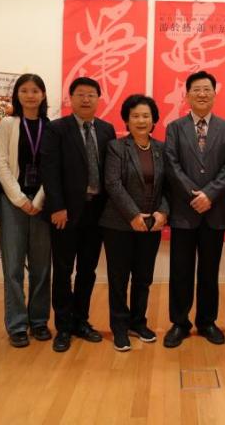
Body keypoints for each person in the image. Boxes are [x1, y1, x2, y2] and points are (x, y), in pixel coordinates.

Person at [163, 70, 225, 348]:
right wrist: (194, 194)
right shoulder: (174, 128)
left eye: (207, 89)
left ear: (215, 94)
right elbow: (171, 164)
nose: (202, 94)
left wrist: (210, 194)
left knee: (209, 271)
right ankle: (179, 323)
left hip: (214, 212)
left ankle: (207, 322)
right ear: (187, 95)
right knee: (180, 271)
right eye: (196, 89)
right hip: (184, 212)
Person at [41, 76, 116, 353]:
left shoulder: (106, 129)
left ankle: (81, 321)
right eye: (80, 95)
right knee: (63, 270)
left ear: (98, 99)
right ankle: (63, 326)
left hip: (97, 212)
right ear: (70, 99)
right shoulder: (57, 129)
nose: (86, 99)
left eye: (91, 95)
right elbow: (49, 170)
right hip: (66, 212)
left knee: (88, 270)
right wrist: (57, 207)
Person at [99, 95, 169, 352]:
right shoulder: (117, 147)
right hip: (119, 224)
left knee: (144, 277)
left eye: (146, 116)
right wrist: (133, 215)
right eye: (136, 116)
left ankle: (138, 322)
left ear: (154, 120)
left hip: (151, 224)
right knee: (119, 278)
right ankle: (119, 326)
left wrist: (163, 212)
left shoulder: (162, 149)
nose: (141, 120)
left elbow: (169, 186)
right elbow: (113, 184)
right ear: (127, 120)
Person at [0, 74, 52, 348]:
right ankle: (17, 324)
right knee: (13, 267)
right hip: (12, 202)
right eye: (25, 90)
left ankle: (39, 321)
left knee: (41, 266)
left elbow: (53, 168)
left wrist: (38, 200)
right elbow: (1, 163)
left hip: (42, 202)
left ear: (43, 95)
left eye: (35, 90)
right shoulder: (8, 123)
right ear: (17, 95)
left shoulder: (50, 126)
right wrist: (19, 199)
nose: (30, 95)